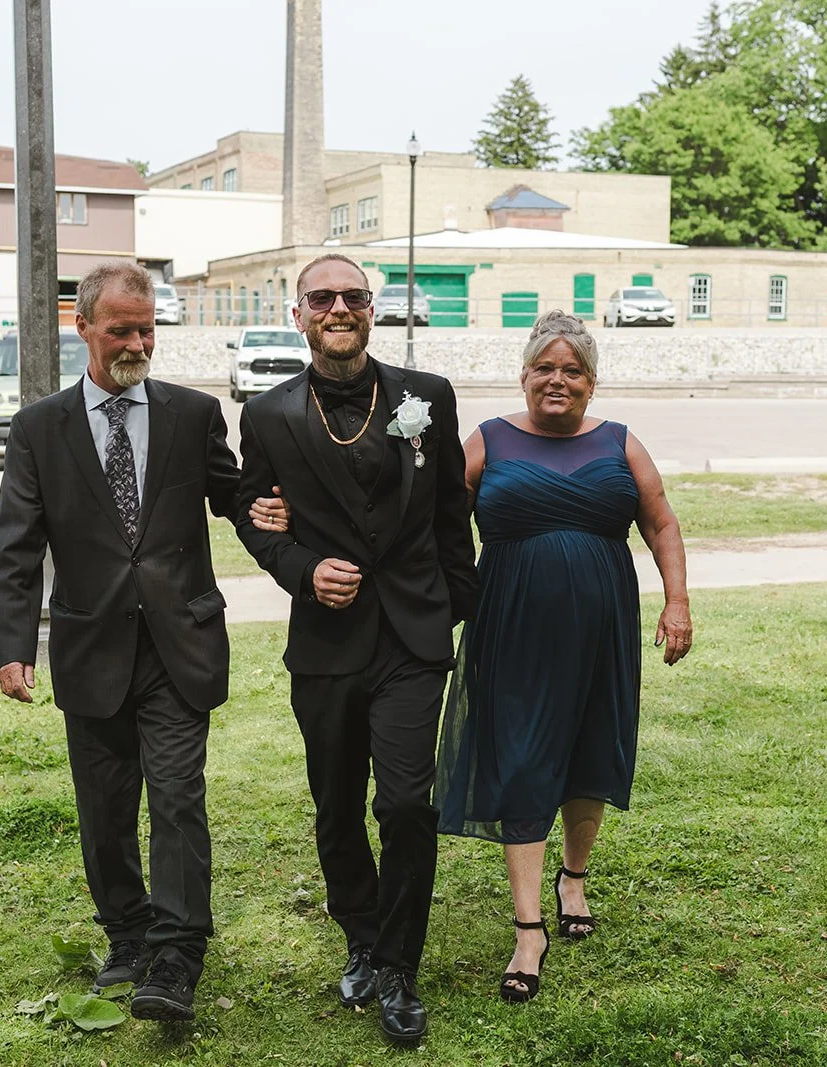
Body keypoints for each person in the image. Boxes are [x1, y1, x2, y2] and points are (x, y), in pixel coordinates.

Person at [0, 262, 244, 1025]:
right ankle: (127, 934)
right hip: (89, 648)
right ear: (84, 327)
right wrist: (12, 644)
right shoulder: (40, 429)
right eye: (122, 329)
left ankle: (176, 952)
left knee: (176, 800)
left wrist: (297, 508)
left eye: (147, 329)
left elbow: (241, 498)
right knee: (104, 812)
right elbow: (17, 546)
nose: (138, 342)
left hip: (179, 646)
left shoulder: (194, 415)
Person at [233, 252, 478, 1046]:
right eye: (323, 297)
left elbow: (451, 512)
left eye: (354, 296)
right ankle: (362, 935)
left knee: (407, 802)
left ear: (372, 311)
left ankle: (399, 966)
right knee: (336, 806)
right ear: (299, 313)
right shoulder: (268, 416)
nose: (340, 307)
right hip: (327, 643)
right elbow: (251, 513)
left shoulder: (425, 397)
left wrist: (459, 606)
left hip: (413, 635)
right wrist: (303, 570)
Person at [432, 309, 693, 1003]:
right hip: (512, 629)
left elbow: (660, 520)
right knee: (520, 756)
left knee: (588, 750)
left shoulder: (621, 443)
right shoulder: (487, 440)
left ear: (591, 382)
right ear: (523, 375)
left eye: (571, 370)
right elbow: (435, 524)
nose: (557, 380)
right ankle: (528, 927)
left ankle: (572, 876)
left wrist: (677, 602)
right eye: (544, 368)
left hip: (600, 629)